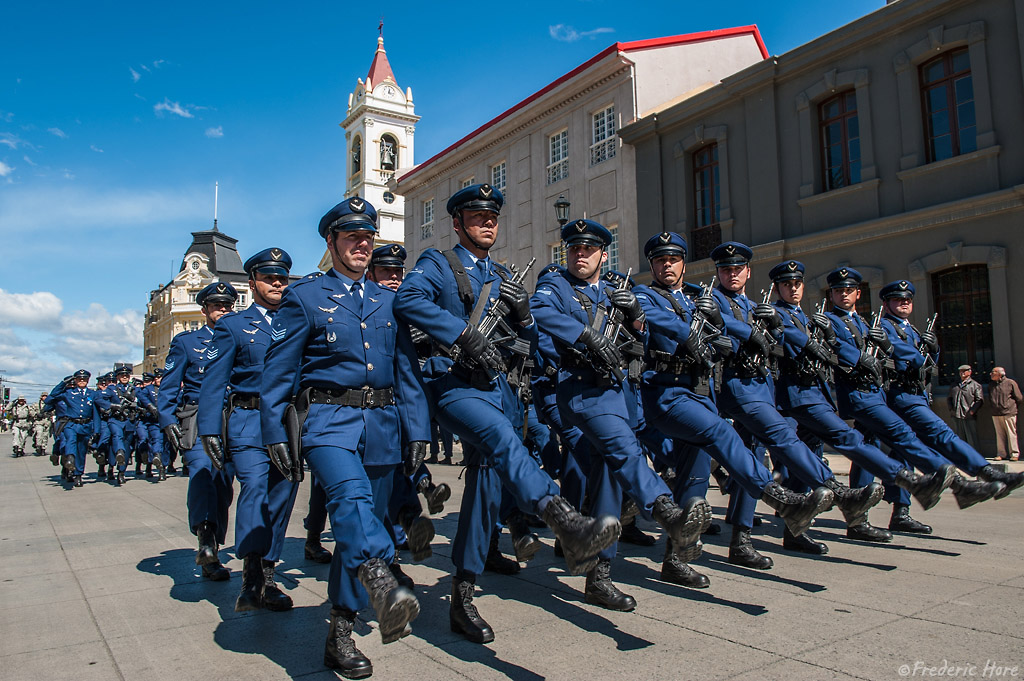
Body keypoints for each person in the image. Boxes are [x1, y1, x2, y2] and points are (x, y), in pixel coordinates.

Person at [394, 184, 620, 642]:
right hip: (455, 387)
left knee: (484, 487)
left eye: (492, 216)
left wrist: (525, 317)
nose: (487, 223)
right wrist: (462, 333)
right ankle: (564, 519)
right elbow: (408, 301)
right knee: (503, 441)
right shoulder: (439, 264)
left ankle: (463, 592)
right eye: (476, 216)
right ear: (457, 223)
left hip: (501, 391)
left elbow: (531, 346)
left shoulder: (500, 274)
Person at [260, 197, 425, 677]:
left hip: (383, 427)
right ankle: (380, 574)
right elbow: (278, 372)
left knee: (360, 524)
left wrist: (415, 429)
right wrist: (275, 431)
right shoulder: (305, 297)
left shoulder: (388, 300)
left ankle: (340, 630)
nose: (362, 244)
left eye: (367, 236)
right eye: (351, 236)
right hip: (329, 422)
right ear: (330, 241)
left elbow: (407, 372)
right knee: (351, 503)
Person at [632, 233, 835, 585]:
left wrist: (727, 334)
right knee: (720, 433)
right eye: (660, 260)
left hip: (700, 391)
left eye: (674, 259)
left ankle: (675, 558)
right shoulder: (644, 296)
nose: (667, 265)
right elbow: (652, 319)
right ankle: (780, 499)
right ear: (652, 265)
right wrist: (692, 332)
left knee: (693, 480)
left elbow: (729, 326)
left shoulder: (699, 297)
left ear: (683, 263)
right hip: (666, 394)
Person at [707, 242, 882, 564]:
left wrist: (771, 332)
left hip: (767, 390)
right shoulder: (712, 299)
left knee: (761, 462)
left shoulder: (754, 305)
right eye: (725, 269)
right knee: (755, 459)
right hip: (738, 391)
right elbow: (716, 324)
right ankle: (743, 538)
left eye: (738, 269)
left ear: (748, 271)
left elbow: (776, 349)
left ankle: (791, 530)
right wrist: (754, 332)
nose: (732, 274)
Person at [877, 280, 1022, 498]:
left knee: (903, 453)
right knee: (941, 433)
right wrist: (919, 356)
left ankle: (901, 512)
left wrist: (934, 349)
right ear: (886, 304)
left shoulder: (911, 328)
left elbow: (929, 363)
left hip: (916, 393)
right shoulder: (884, 326)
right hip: (901, 393)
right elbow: (908, 356)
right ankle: (987, 474)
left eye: (907, 300)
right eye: (898, 300)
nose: (904, 303)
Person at [157, 281, 238, 581]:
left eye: (228, 306)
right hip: (198, 415)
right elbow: (168, 385)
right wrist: (167, 420)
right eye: (217, 306)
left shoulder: (240, 337)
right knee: (203, 472)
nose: (223, 311)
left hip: (232, 416)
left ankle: (213, 542)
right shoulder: (187, 342)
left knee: (224, 483)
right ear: (204, 310)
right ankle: (205, 538)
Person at [45, 370, 100, 487]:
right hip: (70, 424)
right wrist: (62, 383)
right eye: (79, 379)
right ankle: (69, 459)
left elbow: (96, 411)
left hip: (85, 425)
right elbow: (49, 399)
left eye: (84, 379)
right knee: (69, 440)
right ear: (75, 380)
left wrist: (96, 430)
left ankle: (78, 474)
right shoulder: (68, 393)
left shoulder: (92, 394)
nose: (82, 381)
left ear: (88, 380)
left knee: (81, 451)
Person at [988, 366, 1022, 461]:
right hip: (996, 413)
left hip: (1009, 413)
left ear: (1000, 374)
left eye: (993, 372)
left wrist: (1011, 407)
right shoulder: (991, 385)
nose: (991, 374)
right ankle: (1001, 454)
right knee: (999, 434)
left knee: (1011, 433)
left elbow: (1019, 398)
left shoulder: (1010, 383)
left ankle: (1014, 454)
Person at [947, 365, 983, 451]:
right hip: (956, 415)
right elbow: (949, 398)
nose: (962, 373)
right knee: (959, 437)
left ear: (969, 372)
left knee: (972, 438)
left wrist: (972, 411)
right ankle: (962, 455)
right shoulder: (955, 385)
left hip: (968, 415)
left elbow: (979, 400)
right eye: (960, 371)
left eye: (964, 371)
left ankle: (974, 456)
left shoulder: (975, 385)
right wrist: (951, 409)